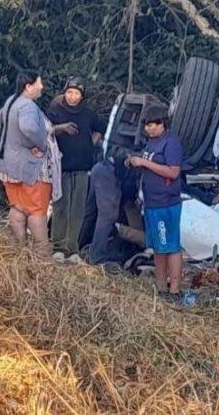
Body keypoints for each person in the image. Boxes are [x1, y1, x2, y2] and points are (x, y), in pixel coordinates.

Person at [0, 71, 68, 257]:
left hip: (9, 166)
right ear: (28, 86)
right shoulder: (28, 106)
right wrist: (40, 144)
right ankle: (42, 256)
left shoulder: (11, 101)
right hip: (32, 170)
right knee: (37, 212)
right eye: (38, 83)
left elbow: (0, 119)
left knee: (17, 208)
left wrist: (18, 142)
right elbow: (28, 128)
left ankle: (18, 252)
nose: (41, 87)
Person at [45, 77, 107, 258]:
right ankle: (58, 246)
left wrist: (91, 143)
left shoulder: (87, 113)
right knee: (60, 206)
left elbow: (101, 127)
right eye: (69, 92)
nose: (72, 97)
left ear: (82, 96)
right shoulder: (55, 110)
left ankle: (72, 248)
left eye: (76, 93)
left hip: (82, 167)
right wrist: (61, 128)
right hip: (61, 166)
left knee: (78, 209)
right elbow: (45, 130)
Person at [126, 105, 184, 296]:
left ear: (163, 124)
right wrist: (134, 162)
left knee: (171, 246)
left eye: (153, 125)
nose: (149, 129)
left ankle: (174, 289)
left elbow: (173, 172)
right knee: (159, 247)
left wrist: (145, 163)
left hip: (166, 202)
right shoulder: (151, 142)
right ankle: (160, 287)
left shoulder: (171, 143)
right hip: (151, 202)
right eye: (147, 125)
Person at [83, 152, 140, 266]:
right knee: (108, 216)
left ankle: (80, 247)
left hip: (103, 167)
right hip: (110, 173)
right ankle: (97, 258)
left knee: (91, 212)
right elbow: (129, 191)